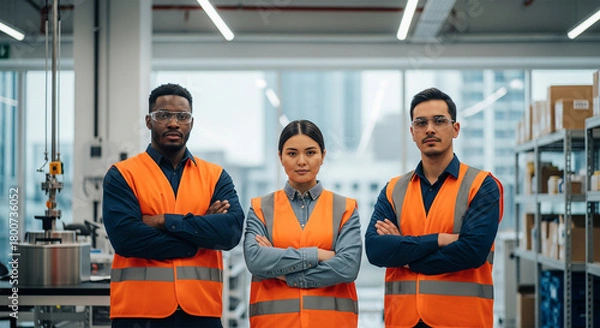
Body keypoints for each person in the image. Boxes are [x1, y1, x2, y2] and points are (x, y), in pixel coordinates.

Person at [102, 83, 245, 328]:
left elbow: (230, 232)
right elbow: (126, 239)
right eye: (163, 115)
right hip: (139, 314)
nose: (173, 123)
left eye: (182, 116)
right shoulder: (123, 175)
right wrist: (199, 239)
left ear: (191, 122)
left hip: (201, 312)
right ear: (149, 121)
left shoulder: (215, 176)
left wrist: (161, 221)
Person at [365, 88, 504, 328]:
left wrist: (406, 258)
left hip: (462, 320)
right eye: (421, 123)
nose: (430, 128)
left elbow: (472, 251)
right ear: (412, 132)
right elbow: (376, 250)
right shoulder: (394, 189)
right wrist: (440, 240)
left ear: (455, 128)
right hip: (402, 319)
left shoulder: (482, 186)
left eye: (439, 121)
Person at [243, 119, 362, 328]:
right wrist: (319, 254)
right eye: (291, 153)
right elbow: (256, 261)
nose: (301, 161)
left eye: (310, 152)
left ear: (322, 156)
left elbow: (347, 268)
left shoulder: (345, 208)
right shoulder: (260, 207)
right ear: (280, 157)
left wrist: (282, 272)